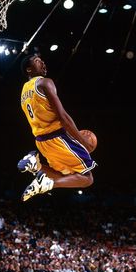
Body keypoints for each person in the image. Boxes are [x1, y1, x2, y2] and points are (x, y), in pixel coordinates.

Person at [17, 54, 97, 201]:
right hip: (57, 137)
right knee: (87, 178)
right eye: (37, 61)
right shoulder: (45, 83)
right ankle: (48, 184)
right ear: (29, 70)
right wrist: (83, 143)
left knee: (66, 175)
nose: (42, 62)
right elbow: (63, 117)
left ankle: (37, 166)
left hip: (41, 141)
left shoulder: (23, 91)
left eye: (42, 60)